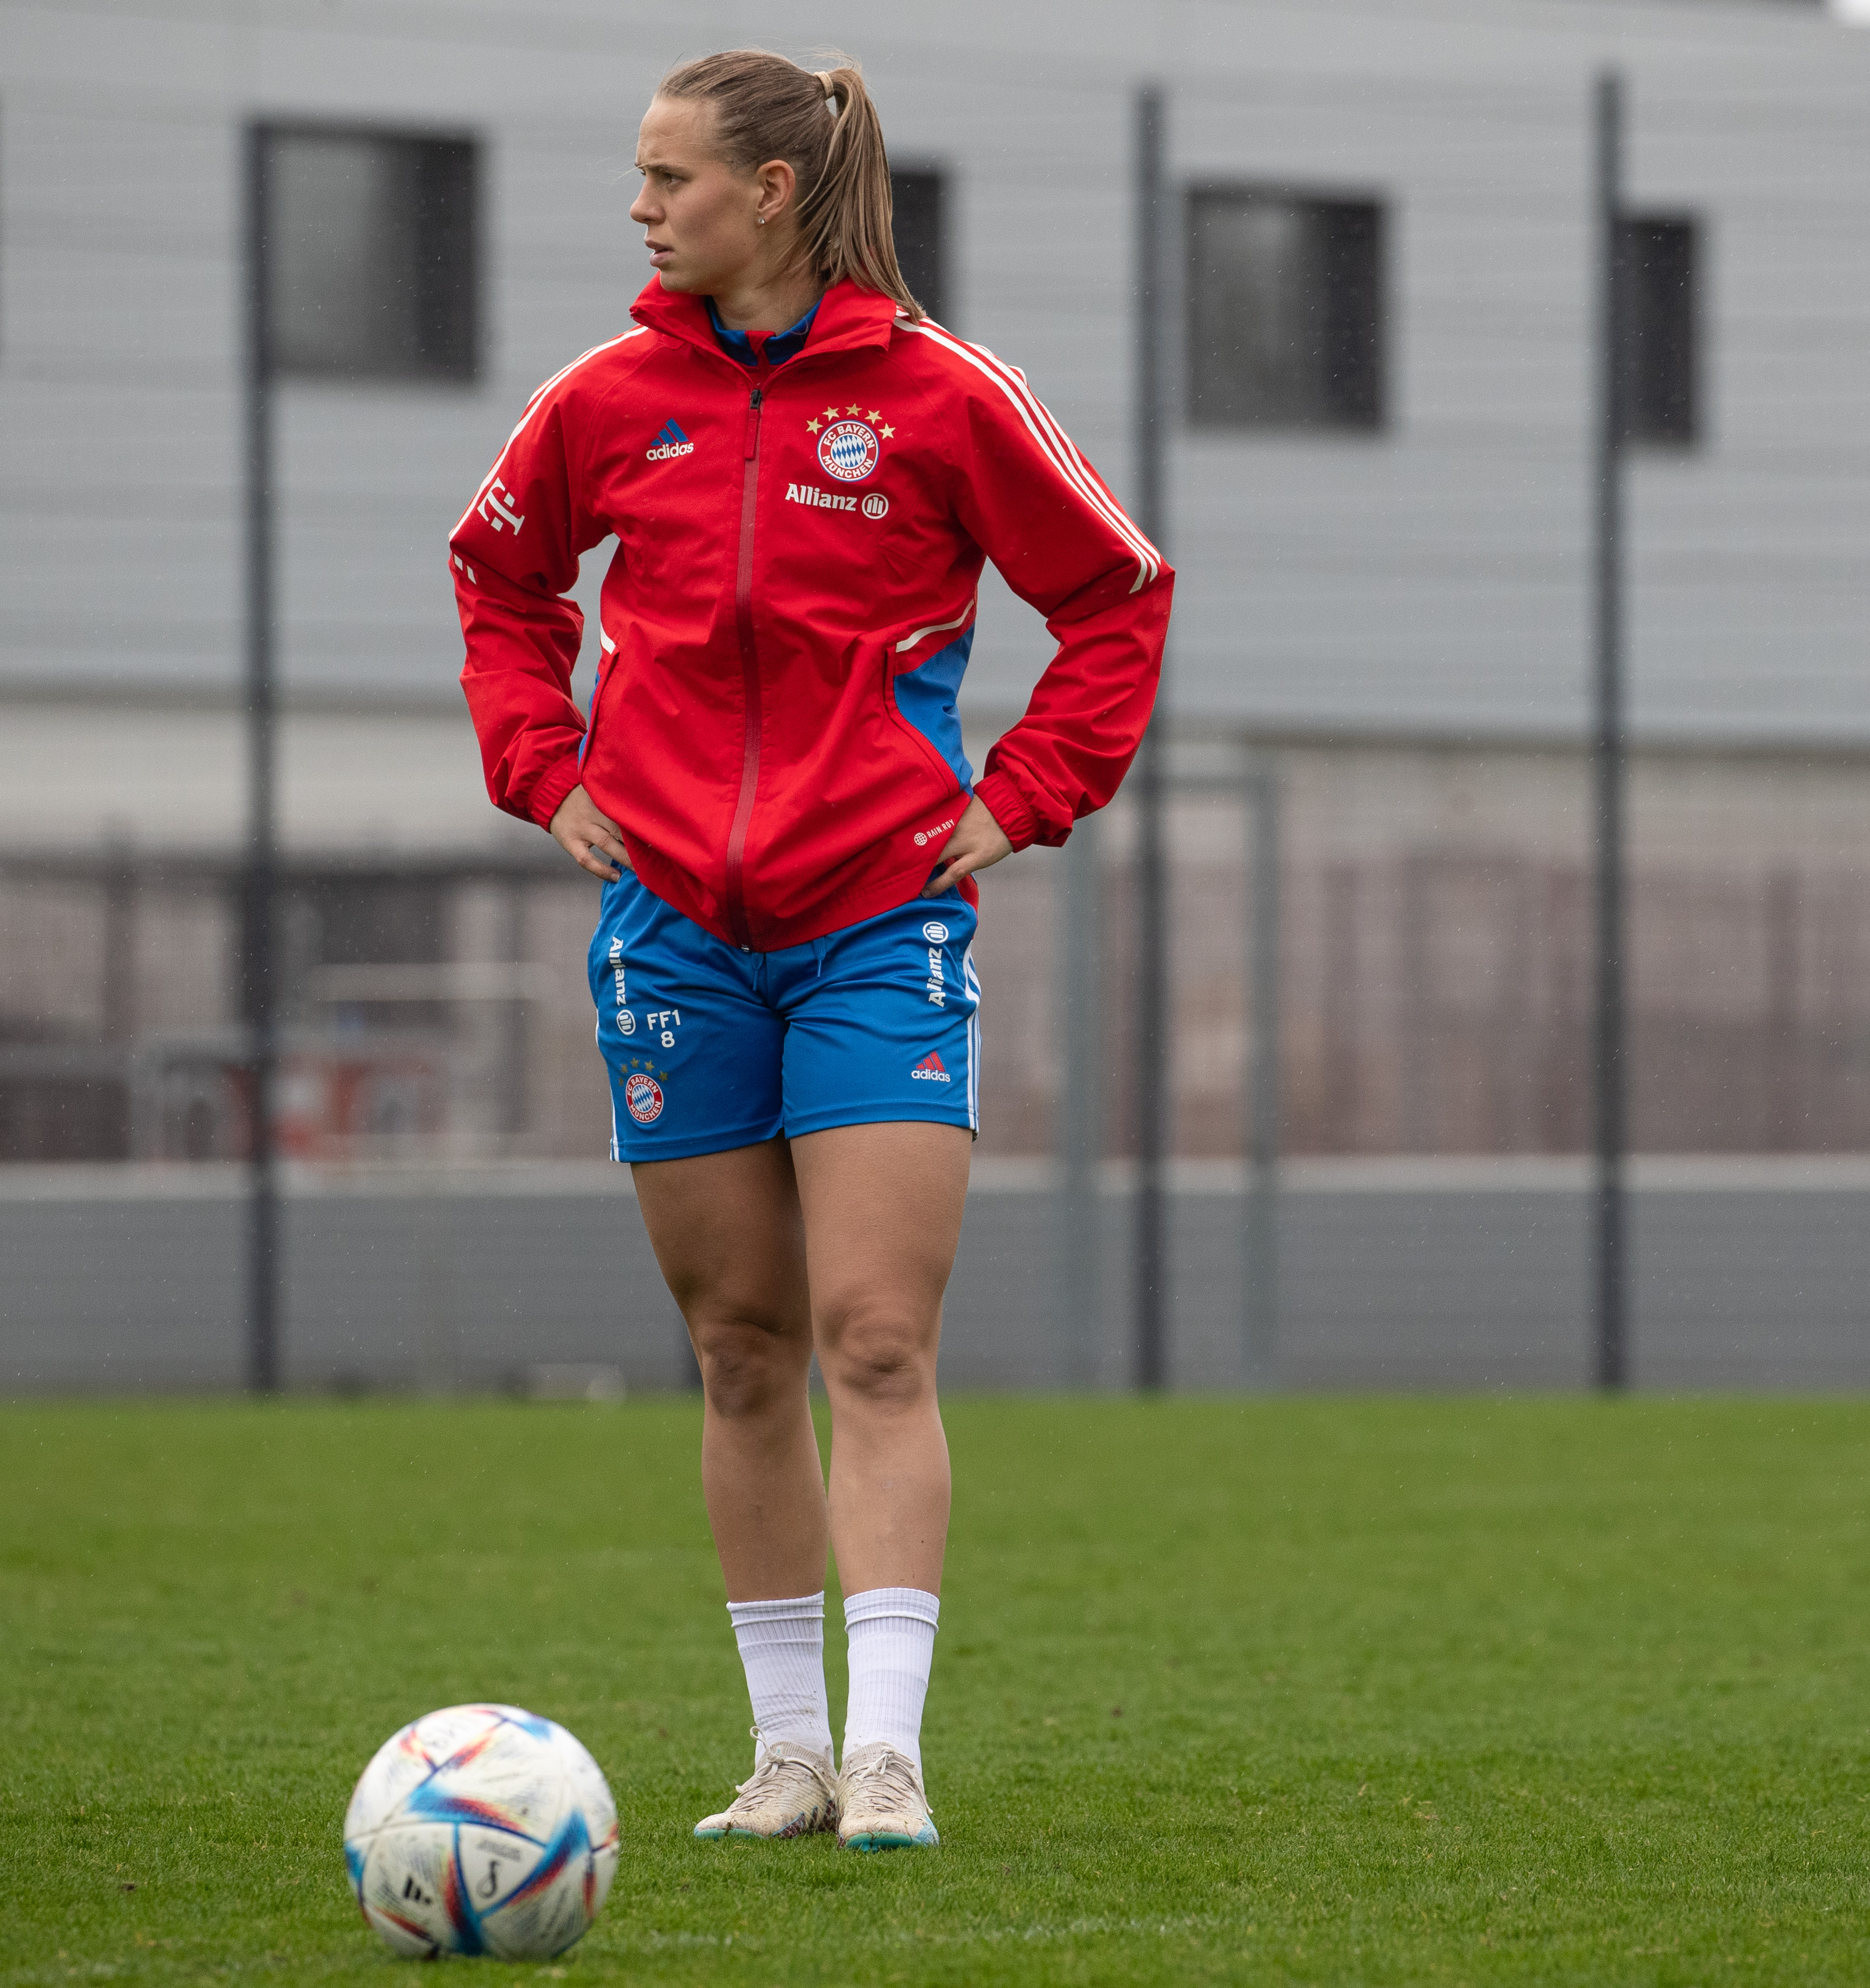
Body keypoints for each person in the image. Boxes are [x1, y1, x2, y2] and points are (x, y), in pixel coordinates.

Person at [447, 49, 1170, 1852]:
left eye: (668, 177)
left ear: (769, 191)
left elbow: (1116, 593)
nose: (641, 208)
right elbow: (499, 578)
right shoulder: (604, 401)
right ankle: (783, 1754)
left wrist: (1027, 791)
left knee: (871, 1333)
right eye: (639, 178)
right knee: (744, 1345)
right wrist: (542, 768)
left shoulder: (944, 397)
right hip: (671, 937)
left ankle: (889, 1755)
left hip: (879, 927)